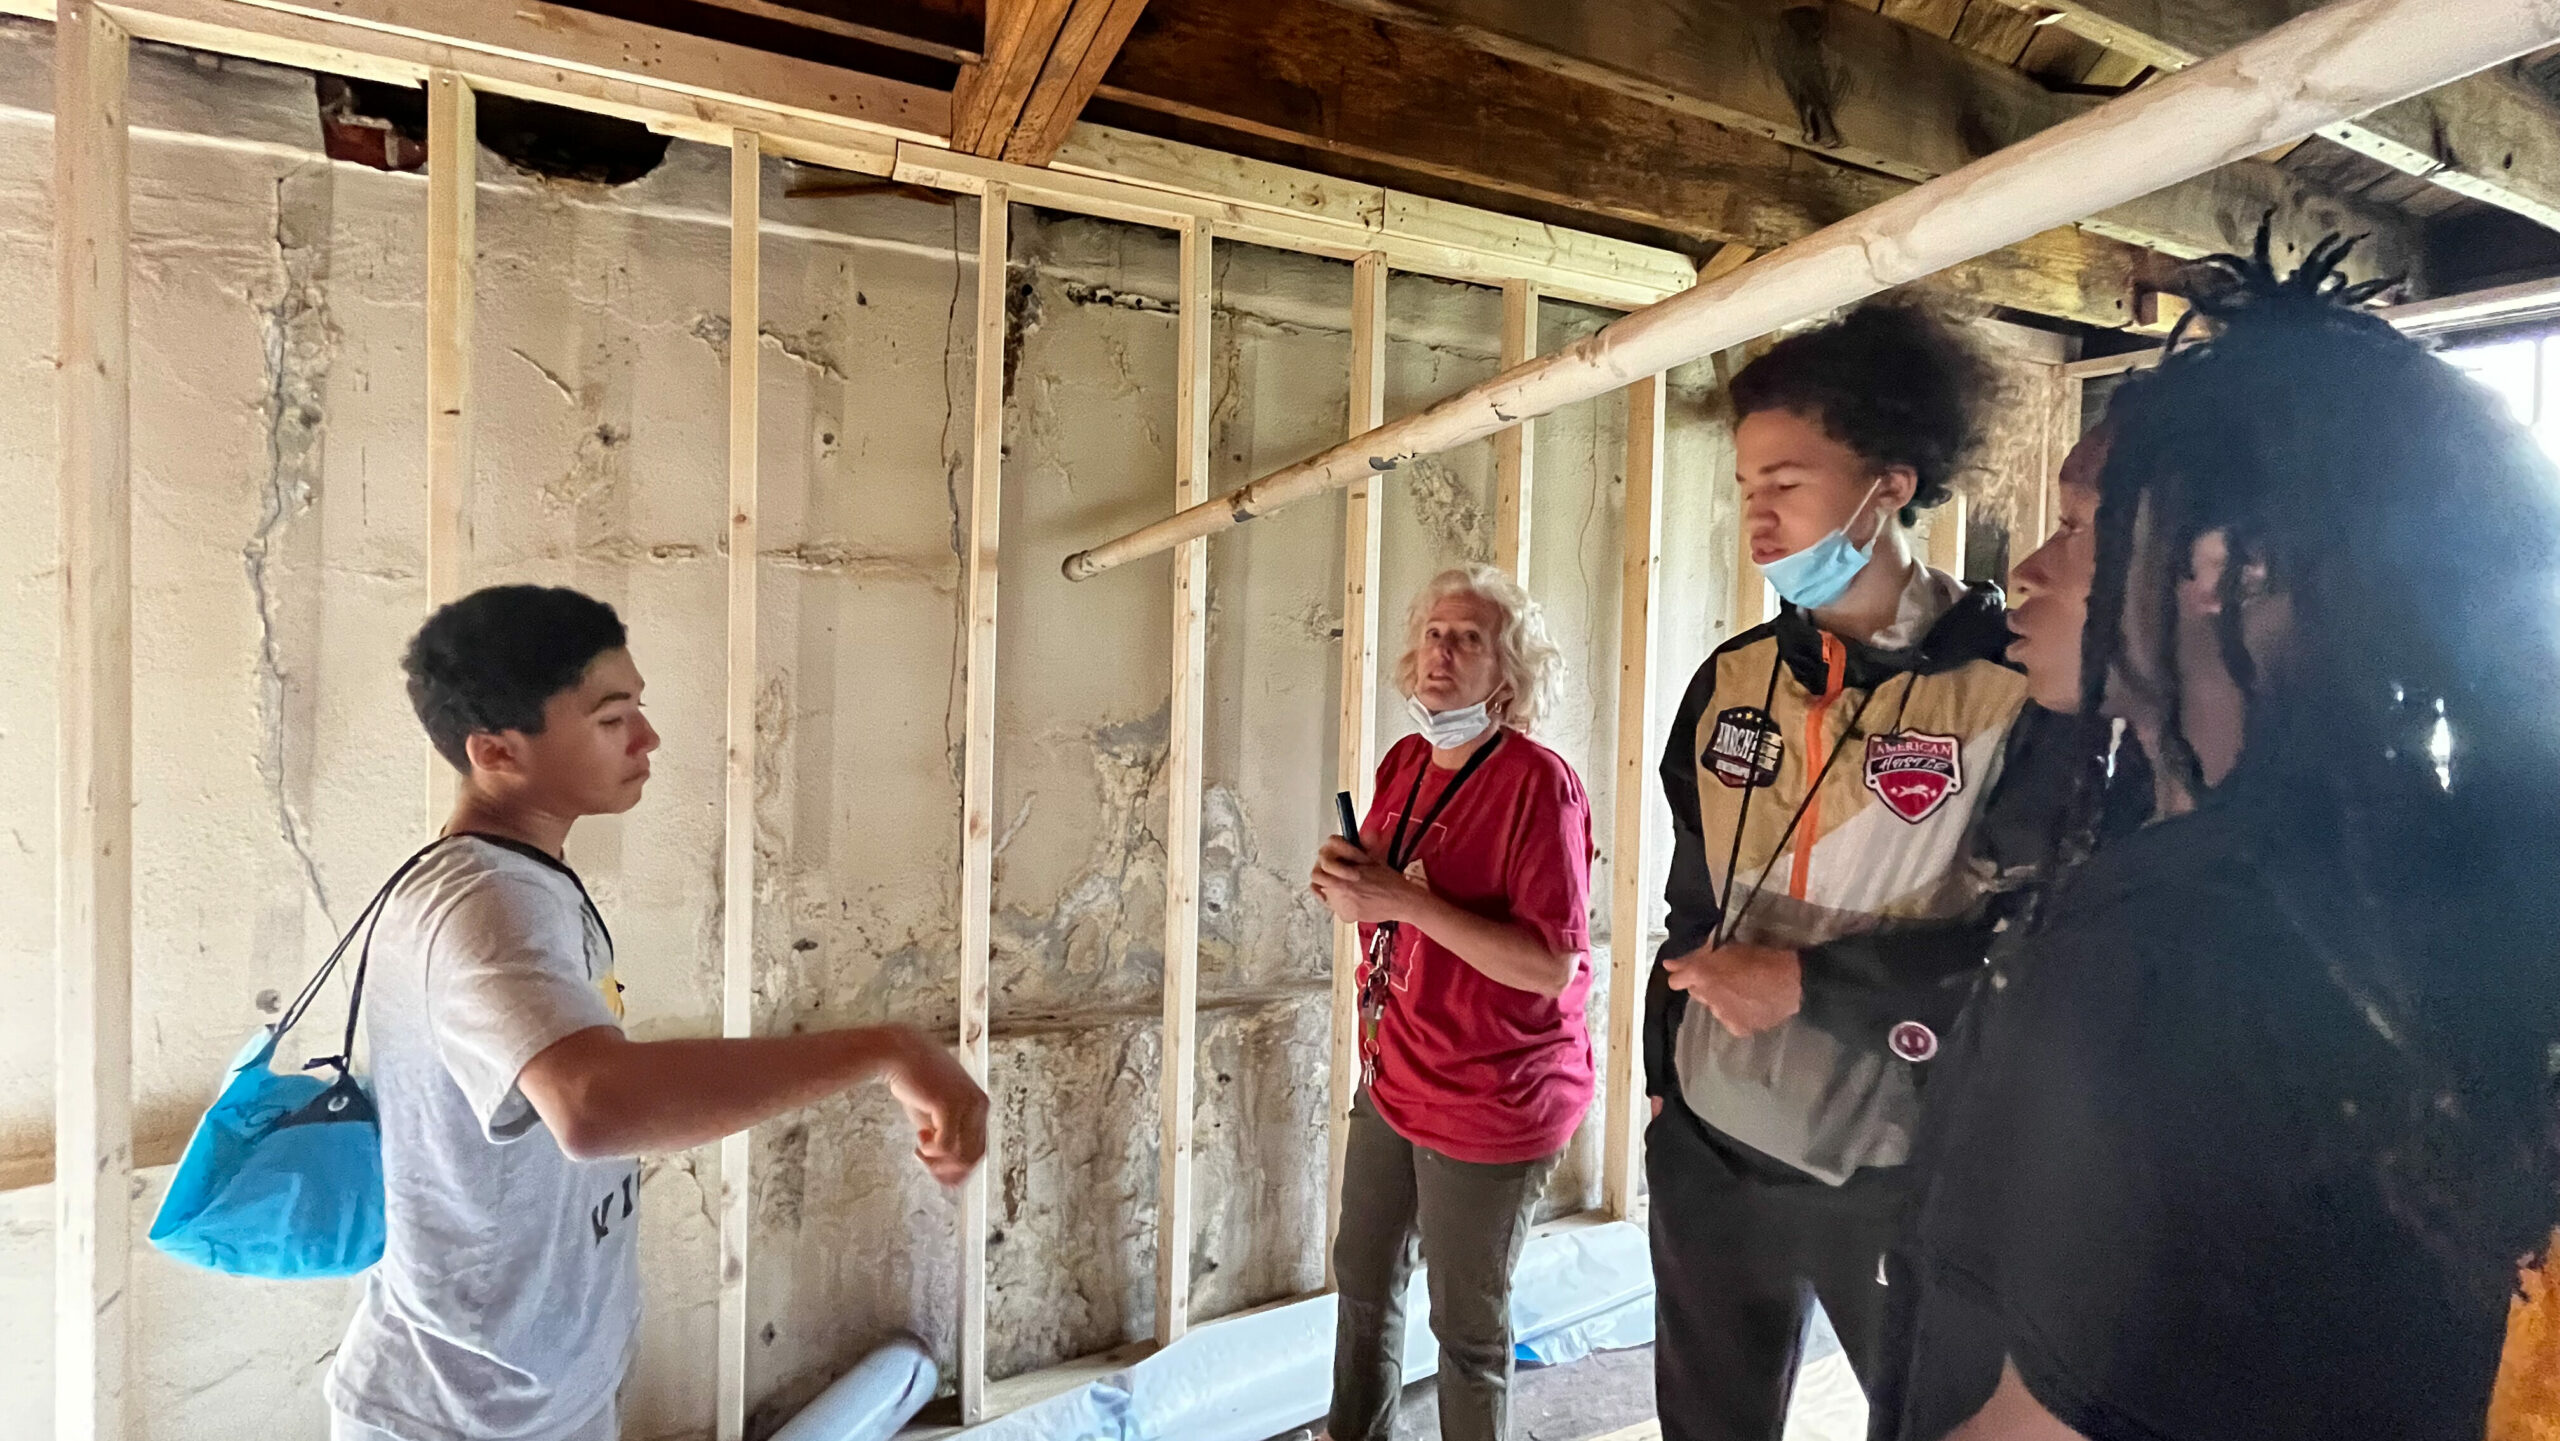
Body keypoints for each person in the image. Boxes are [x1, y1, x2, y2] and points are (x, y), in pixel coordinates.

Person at [1883, 234, 2560, 1440]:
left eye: (2083, 527)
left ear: (2224, 567)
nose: (2030, 572)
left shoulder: (2169, 946)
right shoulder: (2430, 886)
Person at [326, 585, 989, 1441]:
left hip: (524, 1399)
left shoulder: (515, 882)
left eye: (638, 706)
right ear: (496, 750)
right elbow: (597, 1104)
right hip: (462, 1419)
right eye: (612, 718)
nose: (647, 738)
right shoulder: (485, 901)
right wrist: (887, 1048)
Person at [1645, 300, 2045, 1441]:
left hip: (1892, 1172)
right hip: (1710, 1152)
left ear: (1888, 483)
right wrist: (1662, 1087)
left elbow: (2043, 948)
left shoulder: (2015, 687)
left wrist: (1816, 989)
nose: (1758, 514)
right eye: (1743, 485)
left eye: (1788, 479)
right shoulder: (1730, 682)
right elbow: (1691, 903)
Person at [1310, 564, 1596, 1441]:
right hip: (1398, 1071)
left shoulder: (1538, 785)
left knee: (1466, 1331)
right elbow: (1391, 897)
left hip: (1495, 1095)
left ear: (1506, 675)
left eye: (1469, 637)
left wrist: (1405, 901)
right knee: (1361, 1279)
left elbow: (1550, 966)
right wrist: (1346, 883)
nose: (1443, 651)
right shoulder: (1405, 762)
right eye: (1435, 632)